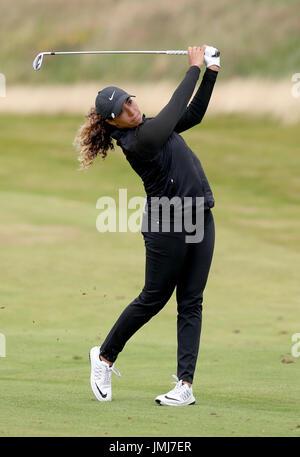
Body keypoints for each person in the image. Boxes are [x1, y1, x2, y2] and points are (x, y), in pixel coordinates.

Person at [74, 45, 220, 406]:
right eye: (122, 109)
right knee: (154, 298)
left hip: (200, 216)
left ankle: (184, 386)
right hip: (165, 226)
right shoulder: (139, 141)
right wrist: (193, 68)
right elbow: (175, 108)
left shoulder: (151, 125)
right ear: (112, 123)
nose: (131, 107)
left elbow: (193, 114)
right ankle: (104, 357)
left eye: (129, 99)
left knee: (191, 301)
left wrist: (212, 71)